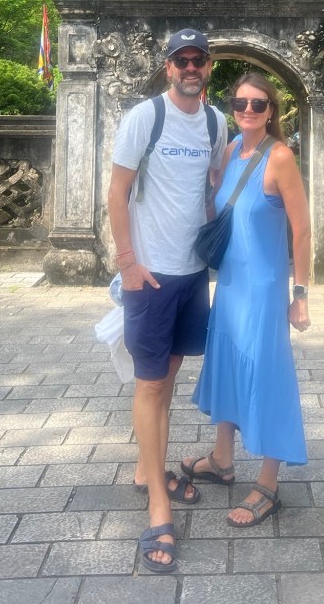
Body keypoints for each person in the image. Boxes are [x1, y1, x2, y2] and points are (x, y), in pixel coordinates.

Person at [108, 28, 226, 572]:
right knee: (150, 382)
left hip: (192, 272)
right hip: (151, 275)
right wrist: (128, 262)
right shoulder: (145, 118)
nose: (190, 68)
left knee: (169, 376)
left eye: (198, 59)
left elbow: (213, 190)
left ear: (209, 66)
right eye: (182, 60)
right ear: (168, 66)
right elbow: (117, 190)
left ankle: (145, 470)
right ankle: (158, 504)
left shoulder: (216, 122)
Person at [182, 72, 311, 527]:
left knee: (265, 374)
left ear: (271, 110)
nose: (249, 110)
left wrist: (300, 294)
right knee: (228, 364)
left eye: (258, 104)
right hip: (231, 283)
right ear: (232, 107)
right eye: (241, 103)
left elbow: (302, 230)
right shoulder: (231, 149)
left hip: (263, 289)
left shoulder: (280, 157)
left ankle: (269, 484)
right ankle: (222, 459)